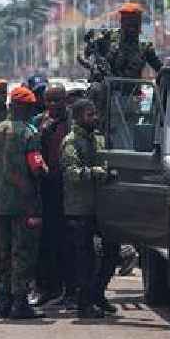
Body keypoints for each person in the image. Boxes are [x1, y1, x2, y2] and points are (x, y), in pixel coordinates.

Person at [0, 86, 47, 319]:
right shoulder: (29, 134)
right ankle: (20, 303)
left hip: (0, 201)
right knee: (22, 253)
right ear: (23, 107)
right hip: (24, 203)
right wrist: (45, 170)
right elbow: (36, 167)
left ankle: (3, 300)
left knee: (4, 253)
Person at [60, 99, 119, 319]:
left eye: (95, 113)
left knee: (112, 252)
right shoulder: (71, 142)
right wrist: (97, 173)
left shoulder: (99, 139)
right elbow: (72, 173)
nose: (94, 118)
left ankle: (97, 294)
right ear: (77, 117)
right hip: (79, 208)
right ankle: (84, 304)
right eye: (89, 114)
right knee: (85, 259)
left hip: (102, 208)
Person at [34, 84, 74, 307]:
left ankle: (70, 289)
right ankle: (47, 288)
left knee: (69, 242)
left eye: (57, 100)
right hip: (47, 187)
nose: (52, 105)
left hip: (68, 188)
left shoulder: (72, 124)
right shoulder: (40, 123)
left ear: (65, 100)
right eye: (48, 101)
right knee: (46, 241)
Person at [107, 3, 162, 79]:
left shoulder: (144, 46)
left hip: (134, 88)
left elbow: (158, 66)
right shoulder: (109, 39)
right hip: (109, 88)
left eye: (135, 25)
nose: (132, 29)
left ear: (139, 24)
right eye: (128, 25)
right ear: (122, 22)